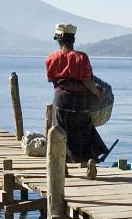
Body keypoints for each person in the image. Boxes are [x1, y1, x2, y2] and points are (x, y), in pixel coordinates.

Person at [45, 23, 108, 163]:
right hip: (79, 100)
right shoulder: (81, 57)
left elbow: (52, 79)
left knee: (60, 132)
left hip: (60, 99)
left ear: (58, 40)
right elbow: (87, 81)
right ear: (73, 40)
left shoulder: (51, 58)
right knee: (83, 132)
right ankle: (87, 163)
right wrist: (98, 93)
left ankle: (63, 165)